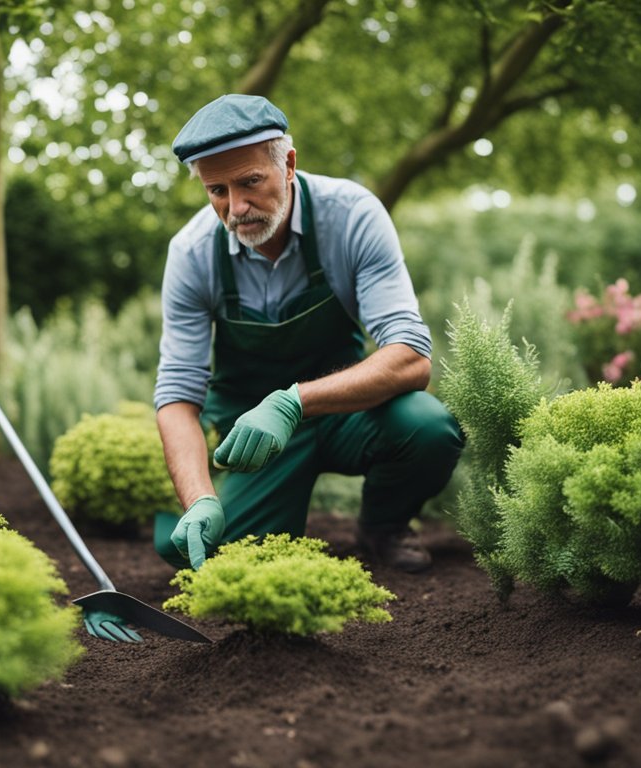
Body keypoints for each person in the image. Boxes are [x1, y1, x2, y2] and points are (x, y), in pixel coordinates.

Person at [83, 94, 463, 645]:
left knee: (427, 429)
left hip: (340, 411)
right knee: (198, 551)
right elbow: (177, 395)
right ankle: (215, 514)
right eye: (218, 190)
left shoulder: (351, 215)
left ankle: (381, 528)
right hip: (251, 438)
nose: (236, 207)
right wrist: (200, 499)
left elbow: (410, 354)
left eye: (250, 182)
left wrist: (293, 402)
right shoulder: (192, 254)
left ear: (288, 165)